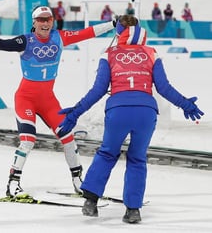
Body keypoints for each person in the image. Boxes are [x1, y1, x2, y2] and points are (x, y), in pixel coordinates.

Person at [57, 15, 204, 223]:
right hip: (146, 112)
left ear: (118, 32)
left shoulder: (108, 54)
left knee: (107, 153)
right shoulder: (152, 53)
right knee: (137, 158)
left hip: (118, 110)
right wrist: (185, 104)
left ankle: (90, 201)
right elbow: (163, 88)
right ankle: (133, 210)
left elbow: (98, 90)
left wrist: (75, 113)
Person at [0, 6, 116, 197]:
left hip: (48, 100)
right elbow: (3, 44)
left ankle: (78, 181)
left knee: (68, 137)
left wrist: (112, 24)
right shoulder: (26, 40)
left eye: (48, 19)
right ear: (34, 22)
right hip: (26, 99)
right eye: (41, 20)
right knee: (28, 141)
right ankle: (13, 184)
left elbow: (86, 33)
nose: (45, 23)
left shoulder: (60, 37)